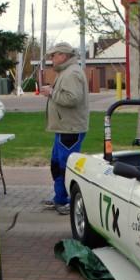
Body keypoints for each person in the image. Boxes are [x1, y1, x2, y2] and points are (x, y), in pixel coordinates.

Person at [39, 42, 89, 215]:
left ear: (63, 55)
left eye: (54, 55)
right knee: (57, 164)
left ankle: (68, 201)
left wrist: (51, 92)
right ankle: (60, 198)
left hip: (70, 129)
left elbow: (72, 98)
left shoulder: (72, 73)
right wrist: (53, 90)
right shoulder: (67, 72)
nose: (52, 59)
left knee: (66, 167)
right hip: (64, 128)